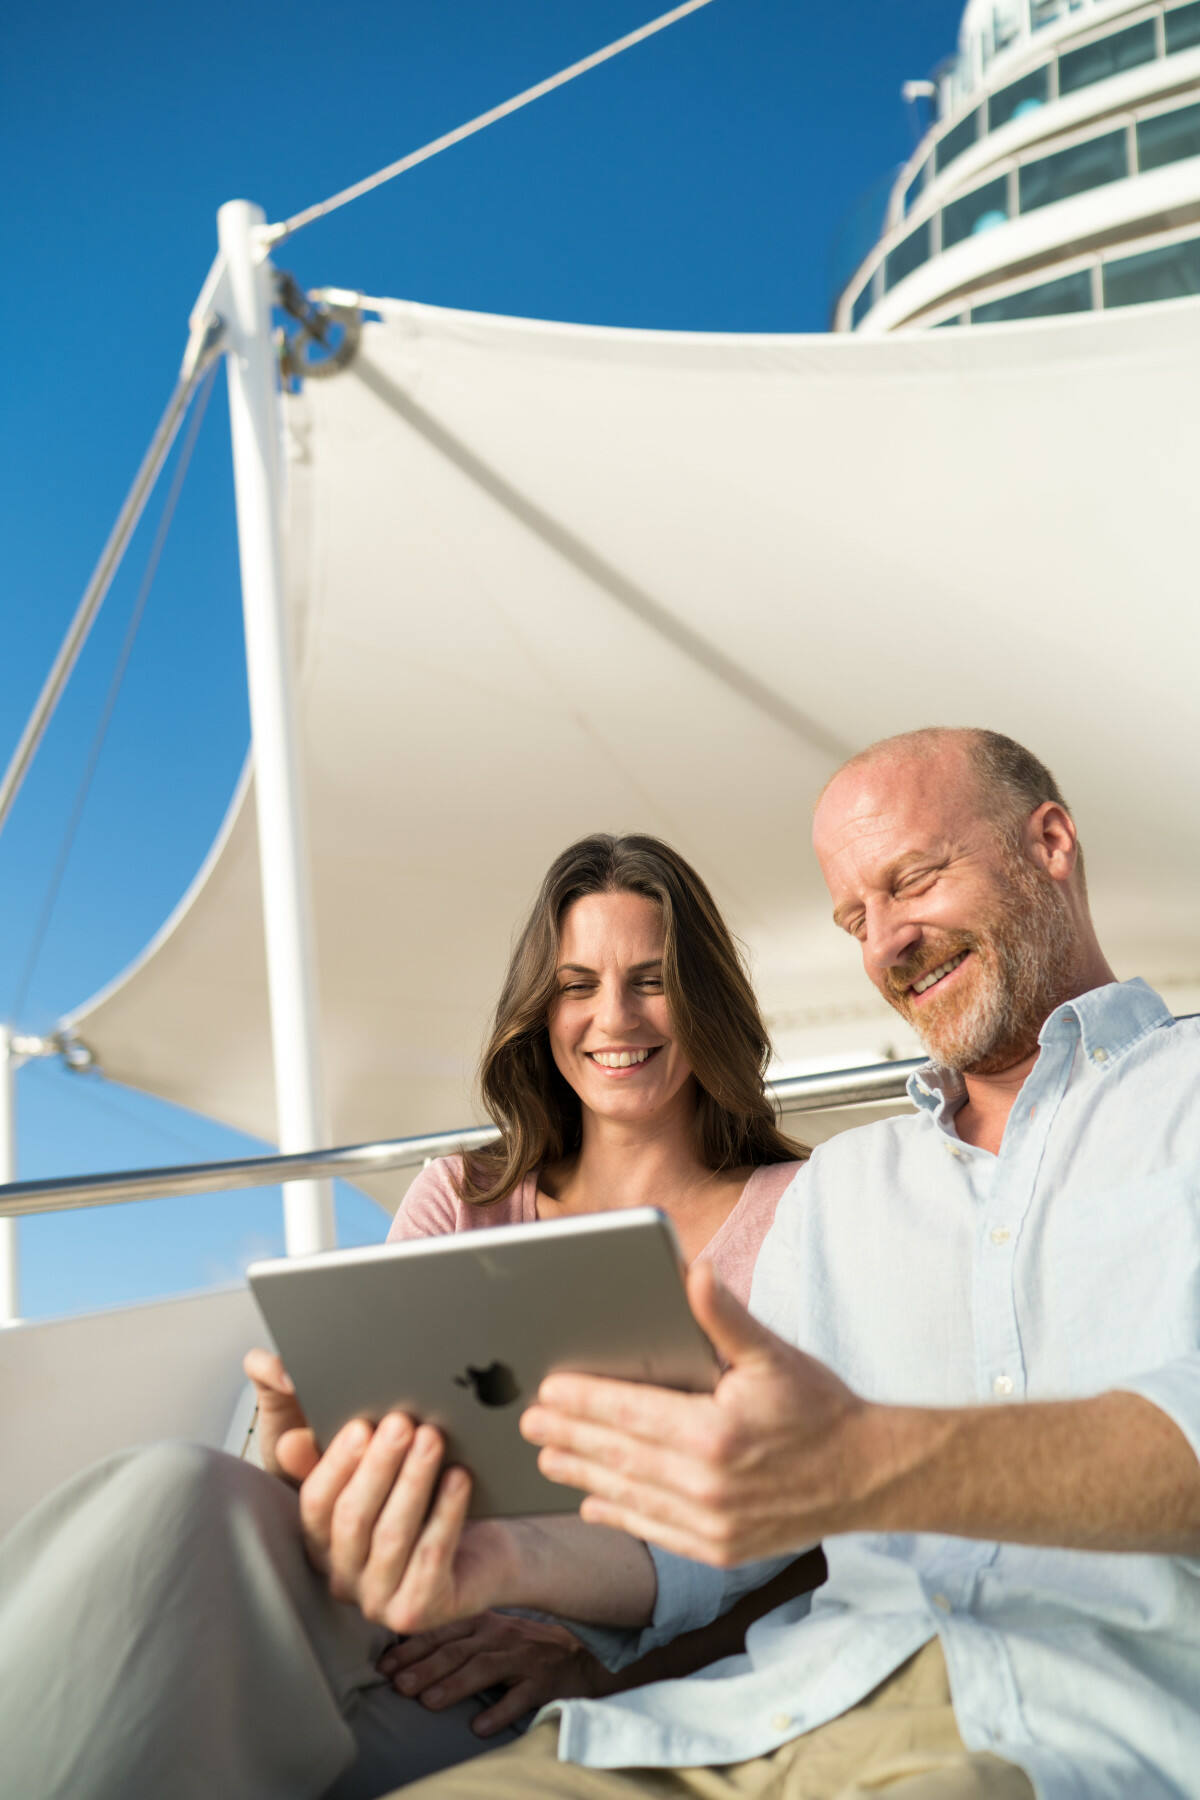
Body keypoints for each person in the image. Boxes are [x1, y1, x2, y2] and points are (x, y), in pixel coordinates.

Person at [286, 727, 1200, 1800]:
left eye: (913, 880)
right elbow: (723, 1525)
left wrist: (863, 1461)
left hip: (1069, 1729)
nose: (887, 942)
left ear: (1050, 843)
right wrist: (492, 1566)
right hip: (751, 1712)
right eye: (855, 918)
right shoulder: (844, 1188)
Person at [0, 833, 810, 1798]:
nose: (612, 1017)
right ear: (541, 1010)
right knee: (178, 1489)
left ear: (705, 997)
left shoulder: (800, 1214)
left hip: (578, 1641)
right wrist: (308, 1452)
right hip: (390, 1584)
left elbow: (824, 1546)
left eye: (651, 979)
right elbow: (363, 1466)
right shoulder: (460, 1194)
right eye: (577, 983)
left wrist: (608, 1669)